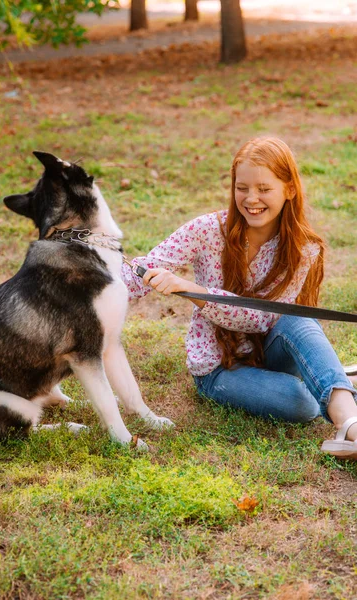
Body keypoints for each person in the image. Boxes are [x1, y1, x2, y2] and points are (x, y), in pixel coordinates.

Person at [121, 137, 357, 459]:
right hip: (219, 368)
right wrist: (98, 263)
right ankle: (334, 381)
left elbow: (262, 319)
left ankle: (350, 427)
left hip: (270, 349)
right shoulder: (206, 230)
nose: (251, 199)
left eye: (263, 188)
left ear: (289, 189)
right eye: (242, 187)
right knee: (302, 404)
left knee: (297, 317)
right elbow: (142, 270)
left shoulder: (305, 248)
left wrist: (194, 292)